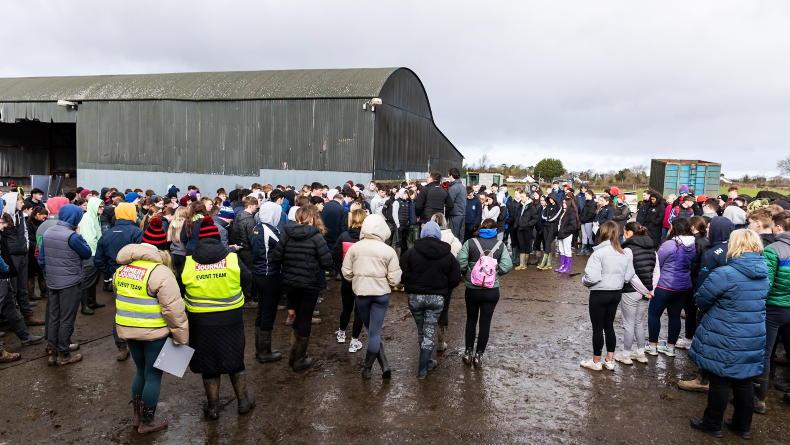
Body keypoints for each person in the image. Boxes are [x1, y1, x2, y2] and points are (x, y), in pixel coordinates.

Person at [688, 229, 768, 439]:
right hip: (752, 333)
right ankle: (743, 426)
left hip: (725, 333)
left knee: (720, 380)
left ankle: (712, 423)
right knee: (745, 380)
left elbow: (702, 299)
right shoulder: (764, 272)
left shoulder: (725, 273)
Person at [182, 216, 254, 420]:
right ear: (217, 238)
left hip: (201, 320)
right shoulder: (231, 258)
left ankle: (213, 407)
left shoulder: (189, 261)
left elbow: (180, 286)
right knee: (235, 358)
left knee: (208, 362)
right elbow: (247, 278)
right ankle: (243, 402)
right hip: (230, 318)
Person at [114, 242, 188, 434]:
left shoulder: (121, 271)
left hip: (129, 330)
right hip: (155, 332)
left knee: (140, 371)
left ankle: (137, 416)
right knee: (153, 375)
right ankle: (147, 422)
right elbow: (173, 309)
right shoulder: (160, 272)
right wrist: (181, 337)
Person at [271, 205, 334, 372]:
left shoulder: (286, 234)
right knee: (305, 318)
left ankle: (294, 355)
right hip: (309, 284)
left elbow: (276, 257)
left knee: (297, 316)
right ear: (312, 218)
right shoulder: (316, 237)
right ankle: (299, 359)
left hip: (290, 283)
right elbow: (327, 262)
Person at [341, 213, 402, 379]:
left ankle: (368, 368)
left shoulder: (355, 248)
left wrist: (357, 279)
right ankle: (383, 366)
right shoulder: (388, 251)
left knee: (372, 332)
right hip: (381, 296)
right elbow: (395, 279)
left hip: (362, 294)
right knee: (374, 332)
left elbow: (346, 272)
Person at [400, 221, 461, 378]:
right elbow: (456, 278)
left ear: (422, 234)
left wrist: (411, 285)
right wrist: (444, 287)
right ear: (438, 235)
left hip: (415, 298)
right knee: (429, 331)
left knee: (422, 330)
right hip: (437, 298)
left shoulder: (411, 253)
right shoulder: (448, 255)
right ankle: (423, 368)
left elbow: (403, 275)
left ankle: (425, 364)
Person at [39, 204, 92, 366]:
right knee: (67, 318)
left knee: (54, 316)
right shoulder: (72, 236)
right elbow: (87, 253)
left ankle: (52, 350)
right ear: (75, 218)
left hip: (53, 281)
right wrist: (79, 235)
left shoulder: (48, 232)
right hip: (70, 283)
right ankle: (64, 353)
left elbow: (41, 259)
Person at [457, 219, 513, 367]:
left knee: (471, 320)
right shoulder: (500, 245)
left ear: (481, 228)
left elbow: (460, 262)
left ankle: (468, 352)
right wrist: (495, 274)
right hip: (491, 291)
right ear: (495, 230)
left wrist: (468, 274)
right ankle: (479, 355)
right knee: (485, 322)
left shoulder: (470, 243)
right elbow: (507, 265)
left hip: (472, 290)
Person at [580, 221, 635, 371]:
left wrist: (584, 280)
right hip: (615, 293)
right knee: (609, 326)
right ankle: (610, 360)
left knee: (598, 328)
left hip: (599, 293)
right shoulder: (624, 253)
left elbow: (591, 277)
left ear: (602, 233)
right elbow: (629, 275)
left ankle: (596, 361)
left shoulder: (598, 253)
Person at [95, 202, 143, 361]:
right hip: (137, 277)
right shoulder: (137, 232)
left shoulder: (107, 234)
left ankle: (121, 346)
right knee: (141, 309)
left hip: (117, 278)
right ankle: (139, 342)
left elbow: (98, 260)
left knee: (120, 311)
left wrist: (110, 272)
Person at [755, 211, 790, 412]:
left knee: (765, 352)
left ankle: (759, 398)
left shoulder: (773, 249)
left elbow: (765, 284)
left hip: (774, 308)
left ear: (778, 227)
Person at [647, 218, 696, 357]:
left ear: (674, 228)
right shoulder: (693, 245)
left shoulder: (670, 244)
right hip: (683, 286)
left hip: (665, 285)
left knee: (654, 314)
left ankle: (652, 346)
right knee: (675, 316)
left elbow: (658, 262)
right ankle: (670, 347)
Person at [0, 214, 45, 358]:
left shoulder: (3, 234)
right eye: (2, 223)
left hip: (5, 278)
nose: (5, 226)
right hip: (2, 278)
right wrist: (6, 268)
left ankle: (25, 337)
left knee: (11, 309)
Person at [615, 222, 658, 365]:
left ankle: (626, 354)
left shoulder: (628, 250)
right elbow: (657, 271)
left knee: (628, 323)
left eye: (624, 232)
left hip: (631, 291)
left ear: (628, 233)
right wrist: (651, 290)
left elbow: (630, 274)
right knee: (639, 322)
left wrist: (644, 289)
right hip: (647, 292)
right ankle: (640, 353)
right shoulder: (653, 249)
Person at [249, 201, 284, 363]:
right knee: (268, 312)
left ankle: (260, 349)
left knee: (262, 310)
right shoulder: (269, 230)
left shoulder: (256, 228)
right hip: (269, 274)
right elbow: (281, 248)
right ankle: (264, 351)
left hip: (258, 273)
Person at [2, 192, 42, 326]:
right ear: (12, 202)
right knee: (12, 290)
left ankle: (27, 316)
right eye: (20, 201)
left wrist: (26, 246)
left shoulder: (20, 215)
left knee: (23, 287)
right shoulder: (4, 218)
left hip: (23, 254)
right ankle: (13, 321)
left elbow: (25, 232)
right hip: (11, 256)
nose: (22, 203)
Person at [333, 209, 367, 353]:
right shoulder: (366, 239)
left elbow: (335, 255)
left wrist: (341, 271)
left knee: (346, 308)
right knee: (359, 311)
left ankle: (341, 333)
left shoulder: (343, 236)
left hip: (347, 279)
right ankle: (354, 341)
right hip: (362, 279)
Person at [78, 197, 105, 315]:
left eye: (103, 206)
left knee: (94, 280)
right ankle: (84, 306)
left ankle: (92, 301)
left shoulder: (95, 217)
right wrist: (100, 251)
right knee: (87, 280)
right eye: (100, 206)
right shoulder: (87, 218)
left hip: (95, 253)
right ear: (94, 206)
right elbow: (90, 240)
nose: (102, 208)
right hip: (90, 254)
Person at [26, 207, 49, 302]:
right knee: (31, 274)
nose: (45, 218)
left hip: (41, 251)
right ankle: (31, 294)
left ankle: (44, 292)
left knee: (41, 273)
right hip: (31, 253)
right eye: (43, 216)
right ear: (37, 214)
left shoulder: (43, 223)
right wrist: (37, 245)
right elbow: (28, 238)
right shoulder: (28, 224)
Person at [513, 191, 540, 270]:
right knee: (521, 246)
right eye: (521, 196)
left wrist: (528, 224)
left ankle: (524, 264)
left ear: (527, 197)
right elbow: (517, 216)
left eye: (522, 197)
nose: (521, 198)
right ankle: (521, 264)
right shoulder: (520, 206)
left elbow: (535, 218)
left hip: (528, 229)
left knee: (527, 246)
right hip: (519, 228)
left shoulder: (532, 207)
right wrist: (516, 225)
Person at [536, 195, 561, 270]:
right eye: (549, 198)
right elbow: (543, 215)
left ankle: (543, 263)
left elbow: (555, 217)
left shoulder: (558, 207)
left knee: (547, 244)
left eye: (551, 198)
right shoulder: (548, 206)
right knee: (547, 244)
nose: (550, 200)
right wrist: (548, 218)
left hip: (552, 228)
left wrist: (548, 219)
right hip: (546, 227)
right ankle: (549, 263)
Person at [555, 197, 579, 274]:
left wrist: (564, 231)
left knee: (567, 251)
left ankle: (567, 267)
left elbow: (573, 226)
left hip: (567, 234)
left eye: (565, 203)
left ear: (569, 203)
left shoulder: (571, 213)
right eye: (563, 203)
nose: (563, 204)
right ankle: (562, 266)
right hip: (561, 234)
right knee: (561, 250)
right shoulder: (563, 211)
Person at [578, 189, 597, 256]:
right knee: (584, 236)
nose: (585, 196)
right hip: (583, 221)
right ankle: (583, 249)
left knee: (589, 236)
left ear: (590, 195)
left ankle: (590, 249)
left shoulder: (593, 203)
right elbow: (583, 212)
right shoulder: (586, 202)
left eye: (586, 195)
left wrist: (583, 219)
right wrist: (581, 219)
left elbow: (591, 214)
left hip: (589, 222)